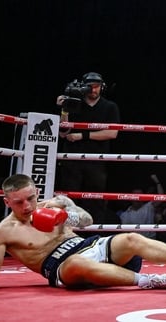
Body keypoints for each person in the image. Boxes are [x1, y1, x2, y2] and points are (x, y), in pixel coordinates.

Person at [0, 174, 166, 290]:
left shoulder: (55, 202)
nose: (28, 206)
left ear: (36, 193)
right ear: (7, 202)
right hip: (62, 267)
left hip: (90, 245)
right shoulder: (3, 232)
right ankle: (152, 282)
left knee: (130, 238)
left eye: (31, 199)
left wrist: (65, 215)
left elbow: (87, 219)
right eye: (19, 202)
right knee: (76, 262)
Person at [56, 71, 120, 223]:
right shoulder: (74, 102)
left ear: (102, 87)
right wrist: (64, 109)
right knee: (69, 197)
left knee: (95, 198)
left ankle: (94, 234)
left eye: (96, 86)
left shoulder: (110, 107)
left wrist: (82, 135)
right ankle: (68, 232)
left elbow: (112, 133)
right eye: (90, 86)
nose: (93, 89)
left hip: (96, 159)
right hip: (72, 158)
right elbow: (63, 132)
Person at [118, 174, 164, 239]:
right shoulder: (124, 215)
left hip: (150, 242)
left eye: (140, 196)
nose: (138, 198)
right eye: (135, 196)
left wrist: (157, 182)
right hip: (134, 244)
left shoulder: (149, 207)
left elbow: (161, 197)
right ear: (130, 198)